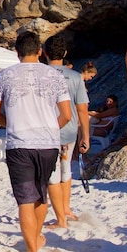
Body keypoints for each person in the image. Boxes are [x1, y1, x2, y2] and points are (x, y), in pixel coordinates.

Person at [0, 31, 71, 252]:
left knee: (25, 201)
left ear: (17, 53)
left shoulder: (4, 76)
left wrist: (13, 123)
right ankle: (36, 238)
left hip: (19, 145)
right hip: (48, 144)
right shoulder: (55, 75)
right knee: (41, 194)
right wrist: (48, 128)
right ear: (39, 52)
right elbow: (66, 115)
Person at [42, 35, 90, 230]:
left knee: (52, 175)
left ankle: (61, 218)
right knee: (66, 169)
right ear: (65, 54)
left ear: (44, 53)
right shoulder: (76, 76)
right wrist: (85, 135)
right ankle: (67, 209)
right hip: (69, 131)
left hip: (47, 132)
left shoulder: (41, 75)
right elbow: (82, 109)